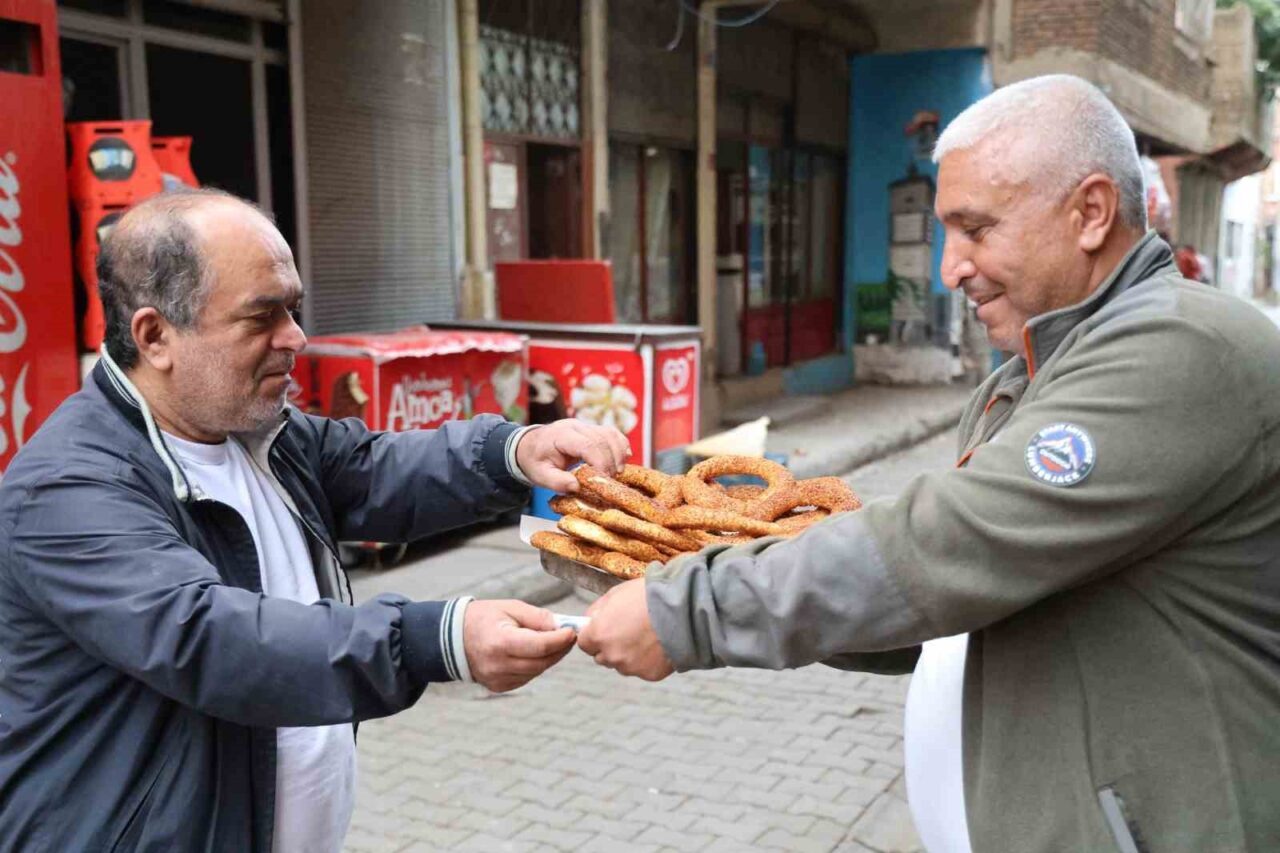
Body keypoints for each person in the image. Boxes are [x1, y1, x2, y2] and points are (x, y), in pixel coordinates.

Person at [579, 74, 1280, 852]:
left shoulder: (1179, 349)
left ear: (1089, 212)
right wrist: (721, 575)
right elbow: (949, 598)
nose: (951, 268)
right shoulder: (1029, 374)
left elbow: (947, 545)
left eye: (976, 229)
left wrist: (689, 609)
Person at [0, 189, 631, 852]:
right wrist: (433, 638)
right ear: (156, 336)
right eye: (261, 316)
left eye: (292, 309)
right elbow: (210, 639)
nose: (295, 337)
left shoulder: (254, 428)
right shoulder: (65, 489)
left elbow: (373, 468)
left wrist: (515, 451)